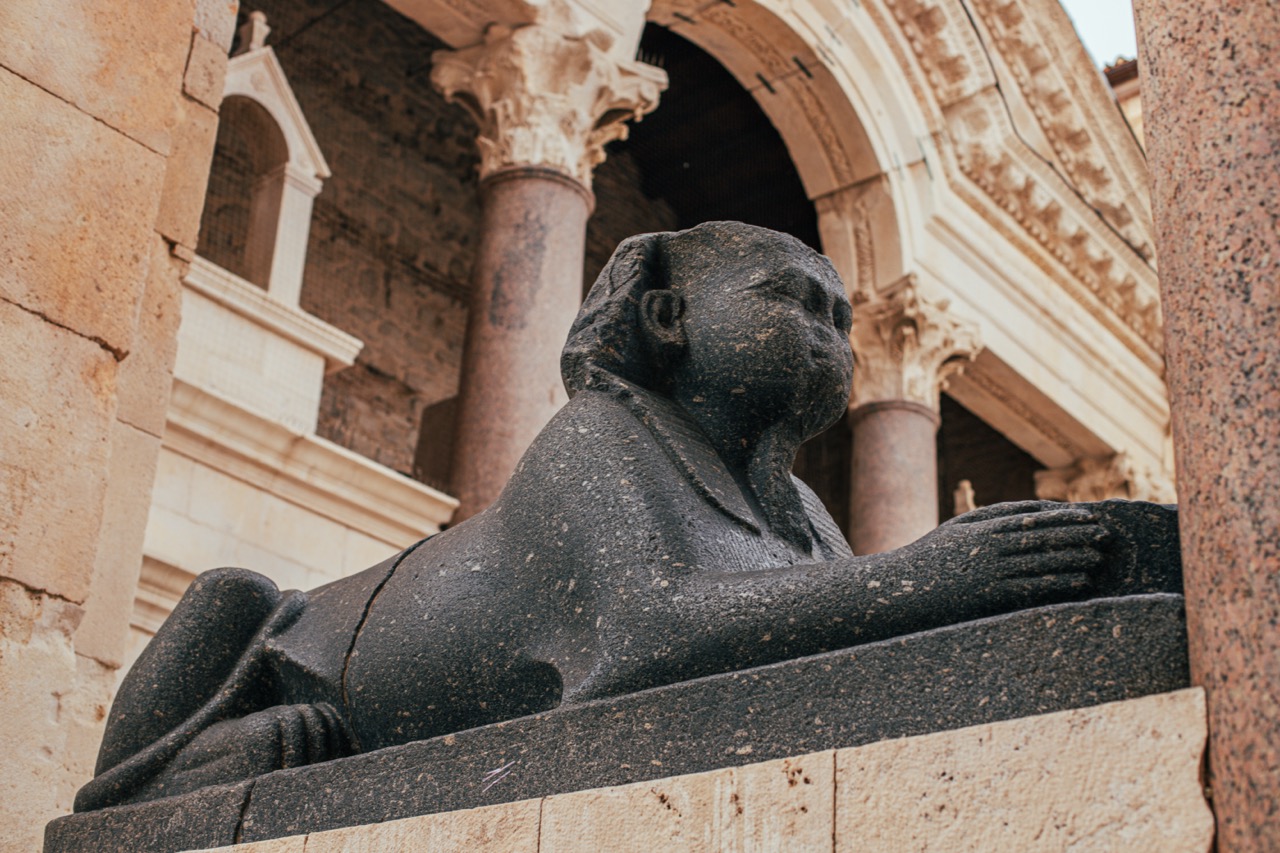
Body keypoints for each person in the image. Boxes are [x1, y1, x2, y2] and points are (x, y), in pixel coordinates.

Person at [77, 222, 1175, 811]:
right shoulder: (602, 433)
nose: (832, 337)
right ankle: (160, 770)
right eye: (790, 299)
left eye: (841, 318)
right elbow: (638, 640)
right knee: (230, 595)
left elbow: (835, 629)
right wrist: (925, 577)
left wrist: (1010, 594)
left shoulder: (801, 512)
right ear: (667, 315)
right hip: (302, 662)